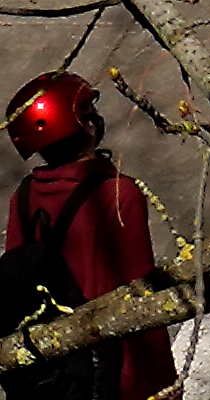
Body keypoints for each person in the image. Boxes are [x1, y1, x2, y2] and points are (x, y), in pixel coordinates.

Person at [1, 77, 163, 400]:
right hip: (112, 375)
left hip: (54, 377)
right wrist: (158, 382)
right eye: (89, 110)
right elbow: (141, 296)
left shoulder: (22, 197)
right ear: (84, 125)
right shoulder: (118, 194)